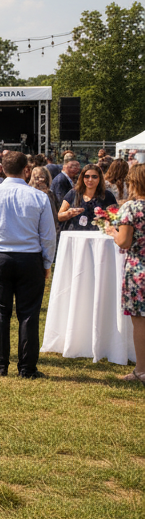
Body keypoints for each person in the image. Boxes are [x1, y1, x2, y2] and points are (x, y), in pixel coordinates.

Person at [0, 152, 57, 379]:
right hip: (30, 258)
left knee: (0, 314)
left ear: (1, 169)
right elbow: (48, 235)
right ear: (26, 170)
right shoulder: (39, 197)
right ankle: (27, 368)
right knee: (29, 314)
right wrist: (47, 261)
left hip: (0, 257)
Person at [107, 164, 145, 383]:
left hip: (139, 269)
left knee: (140, 321)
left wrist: (114, 232)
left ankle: (141, 370)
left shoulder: (131, 208)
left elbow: (124, 241)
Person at [58, 163, 116, 232]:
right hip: (75, 235)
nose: (90, 179)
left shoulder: (107, 196)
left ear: (100, 178)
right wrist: (69, 213)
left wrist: (105, 218)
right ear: (82, 178)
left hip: (98, 236)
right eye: (87, 176)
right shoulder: (73, 193)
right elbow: (59, 216)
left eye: (94, 177)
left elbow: (115, 218)